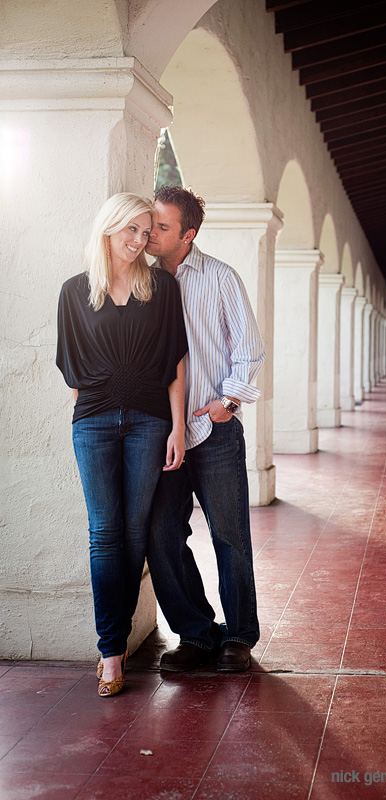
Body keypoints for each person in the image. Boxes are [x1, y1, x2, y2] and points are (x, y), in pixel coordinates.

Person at [56, 193, 188, 697]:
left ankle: (115, 643)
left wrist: (177, 427)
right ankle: (110, 651)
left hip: (151, 422)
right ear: (108, 230)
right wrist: (106, 393)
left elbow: (176, 362)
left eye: (146, 230)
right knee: (104, 532)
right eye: (130, 230)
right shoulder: (74, 291)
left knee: (134, 533)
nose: (139, 240)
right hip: (92, 422)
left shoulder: (162, 289)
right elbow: (71, 369)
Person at [146, 185, 265, 672]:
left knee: (229, 534)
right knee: (162, 534)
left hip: (214, 430)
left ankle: (238, 636)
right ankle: (195, 634)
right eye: (150, 223)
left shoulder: (219, 277)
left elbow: (249, 349)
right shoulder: (141, 280)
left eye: (162, 227)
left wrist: (227, 402)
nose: (151, 234)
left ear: (188, 235)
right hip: (162, 432)